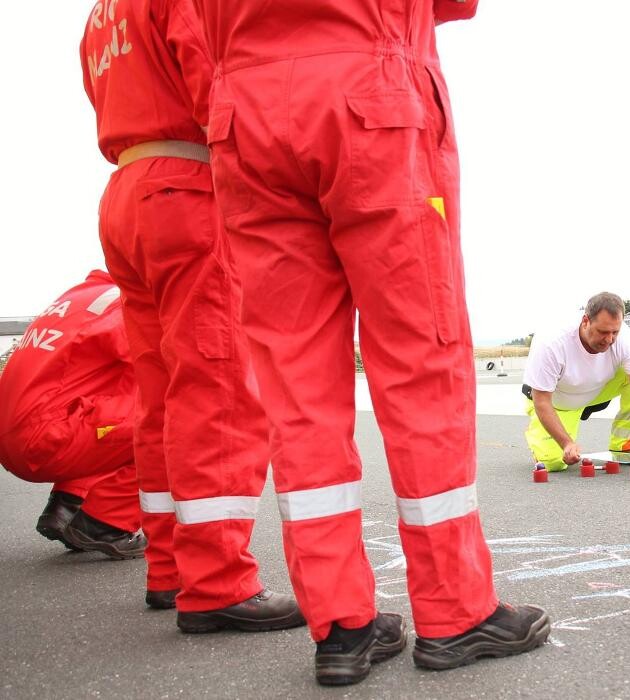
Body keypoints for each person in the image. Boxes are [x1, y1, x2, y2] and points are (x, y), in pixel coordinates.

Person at [189, 0, 549, 685]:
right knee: (420, 363)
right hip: (367, 97)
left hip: (245, 115)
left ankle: (340, 624)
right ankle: (455, 612)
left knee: (296, 386)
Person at [81, 0, 303, 629]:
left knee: (159, 395)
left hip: (126, 192)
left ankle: (171, 569)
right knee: (217, 387)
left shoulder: (100, 16)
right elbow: (217, 91)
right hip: (188, 184)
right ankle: (218, 583)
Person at [0, 271, 143, 560]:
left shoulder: (82, 295)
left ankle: (68, 505)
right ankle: (105, 523)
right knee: (169, 418)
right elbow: (164, 359)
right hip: (45, 438)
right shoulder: (126, 303)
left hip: (19, 433)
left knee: (119, 404)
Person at [522, 292, 630, 471]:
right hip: (558, 402)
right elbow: (542, 401)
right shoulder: (551, 343)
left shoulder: (624, 337)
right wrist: (567, 443)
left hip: (597, 390)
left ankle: (625, 443)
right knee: (552, 463)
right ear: (585, 321)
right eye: (602, 332)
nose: (609, 339)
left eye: (614, 332)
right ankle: (539, 436)